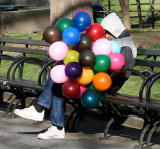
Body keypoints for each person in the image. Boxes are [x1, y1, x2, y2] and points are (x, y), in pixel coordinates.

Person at [14, 12, 137, 140]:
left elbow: (120, 72)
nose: (104, 36)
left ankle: (45, 115)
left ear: (113, 31)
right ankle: (51, 122)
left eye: (106, 32)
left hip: (105, 84)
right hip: (97, 79)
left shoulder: (125, 45)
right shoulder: (119, 41)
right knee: (60, 78)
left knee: (62, 81)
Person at [101, 12, 137, 94]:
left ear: (114, 29)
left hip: (113, 82)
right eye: (105, 33)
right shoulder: (118, 42)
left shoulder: (126, 45)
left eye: (108, 32)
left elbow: (122, 72)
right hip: (106, 79)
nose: (106, 36)